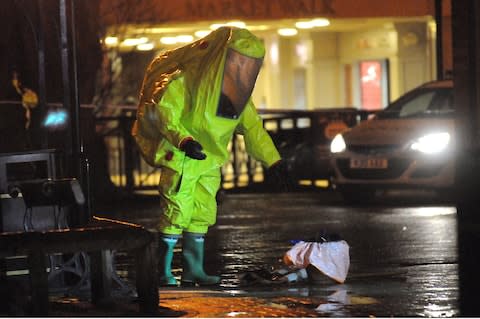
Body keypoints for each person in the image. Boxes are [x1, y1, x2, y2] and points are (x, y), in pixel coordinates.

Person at [132, 26, 288, 286]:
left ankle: (193, 270)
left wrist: (274, 161)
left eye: (248, 64)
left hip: (209, 161)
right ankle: (163, 270)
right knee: (176, 211)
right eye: (238, 60)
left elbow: (253, 129)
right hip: (182, 157)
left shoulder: (238, 98)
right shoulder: (187, 80)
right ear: (222, 56)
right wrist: (184, 140)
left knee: (203, 212)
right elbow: (165, 113)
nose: (242, 68)